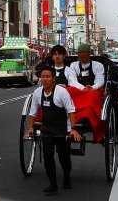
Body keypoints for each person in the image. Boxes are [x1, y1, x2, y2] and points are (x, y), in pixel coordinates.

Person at [25, 65, 81, 195]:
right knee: (47, 156)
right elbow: (33, 112)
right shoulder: (38, 93)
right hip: (47, 130)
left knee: (64, 157)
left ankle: (66, 176)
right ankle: (53, 184)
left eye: (48, 77)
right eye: (43, 77)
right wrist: (31, 128)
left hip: (63, 129)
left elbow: (71, 111)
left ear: (53, 78)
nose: (45, 79)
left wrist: (73, 129)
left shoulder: (62, 92)